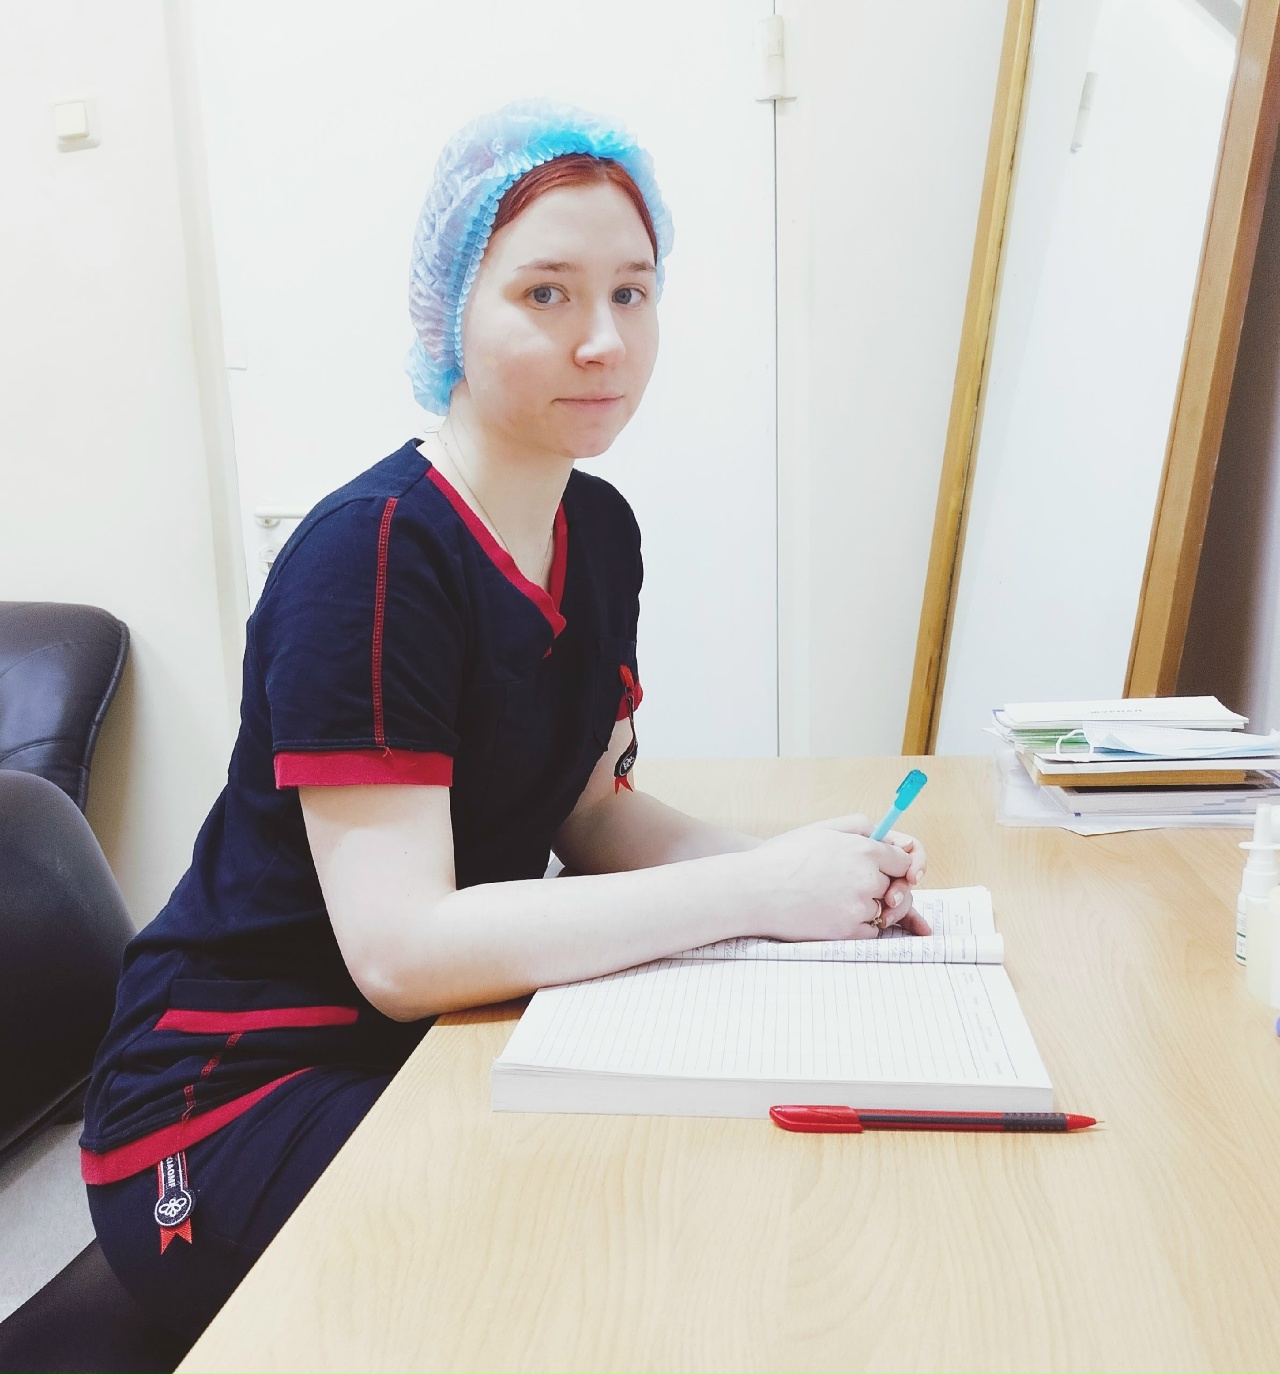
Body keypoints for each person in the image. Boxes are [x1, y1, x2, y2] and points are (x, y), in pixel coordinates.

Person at [79, 99, 928, 1338]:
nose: (603, 340)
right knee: (604, 1257)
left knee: (723, 1185)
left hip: (434, 1044)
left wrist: (802, 873)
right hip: (229, 1103)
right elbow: (402, 953)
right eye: (545, 294)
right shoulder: (372, 555)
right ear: (449, 316)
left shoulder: (600, 532)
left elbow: (589, 816)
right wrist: (755, 893)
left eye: (631, 292)